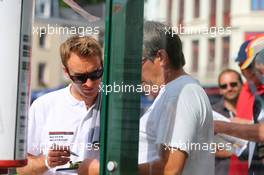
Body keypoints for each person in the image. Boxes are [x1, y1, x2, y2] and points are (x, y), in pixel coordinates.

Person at [17, 36, 102, 175]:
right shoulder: (44, 106)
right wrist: (46, 162)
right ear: (66, 72)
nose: (89, 83)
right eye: (80, 77)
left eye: (96, 74)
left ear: (102, 65)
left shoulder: (116, 105)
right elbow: (22, 168)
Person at [138, 21, 214, 175]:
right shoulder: (176, 91)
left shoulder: (181, 93)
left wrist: (109, 170)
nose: (133, 70)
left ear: (161, 57)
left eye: (137, 61)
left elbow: (170, 168)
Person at [214, 36, 264, 175]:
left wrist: (226, 127)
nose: (247, 70)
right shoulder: (247, 89)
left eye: (249, 65)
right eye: (242, 65)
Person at [213, 69, 247, 175]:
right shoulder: (212, 114)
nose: (229, 88)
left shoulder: (254, 109)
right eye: (224, 86)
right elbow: (212, 148)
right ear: (220, 90)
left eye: (233, 84)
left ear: (242, 85)